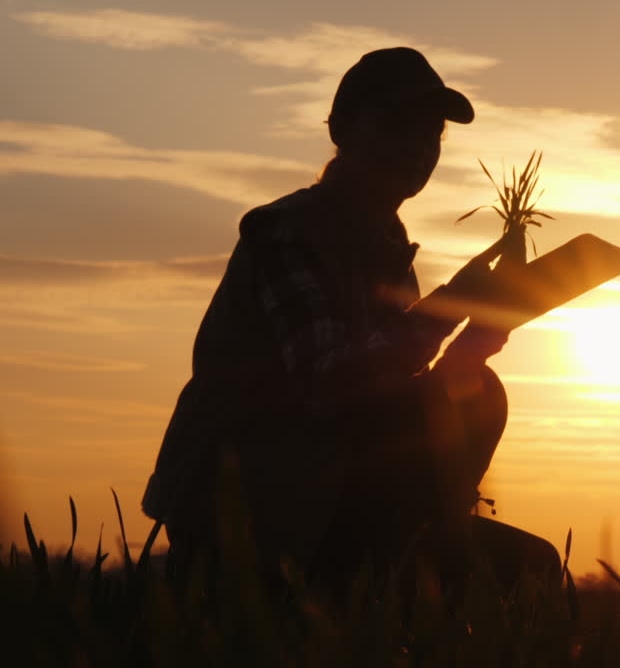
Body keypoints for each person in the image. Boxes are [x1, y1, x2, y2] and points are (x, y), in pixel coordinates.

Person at [142, 47, 560, 595]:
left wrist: (469, 348)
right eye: (395, 125)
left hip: (333, 500)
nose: (416, 146)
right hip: (252, 518)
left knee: (530, 562)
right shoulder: (284, 234)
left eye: (430, 134)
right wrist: (451, 305)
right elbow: (330, 382)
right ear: (342, 129)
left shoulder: (387, 251)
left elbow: (386, 395)